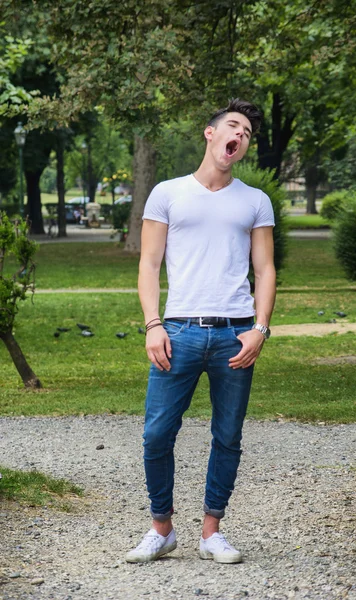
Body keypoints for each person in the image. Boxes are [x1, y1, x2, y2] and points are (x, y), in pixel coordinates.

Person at [126, 99, 276, 565]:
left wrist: (260, 330)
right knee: (156, 435)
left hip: (235, 336)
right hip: (179, 331)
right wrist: (153, 324)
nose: (240, 135)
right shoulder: (168, 193)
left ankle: (212, 531)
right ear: (209, 134)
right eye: (234, 126)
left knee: (228, 435)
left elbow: (266, 269)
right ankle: (162, 528)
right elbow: (149, 264)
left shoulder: (255, 200)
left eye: (247, 133)